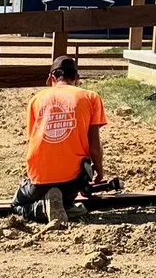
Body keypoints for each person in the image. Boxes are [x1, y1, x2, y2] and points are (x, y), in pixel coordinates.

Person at [12, 55, 107, 226]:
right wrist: (99, 172)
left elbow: (34, 142)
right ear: (77, 78)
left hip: (39, 179)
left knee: (17, 205)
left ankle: (42, 208)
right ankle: (66, 204)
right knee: (72, 185)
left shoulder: (35, 100)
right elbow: (94, 146)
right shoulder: (91, 97)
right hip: (73, 179)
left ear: (51, 78)